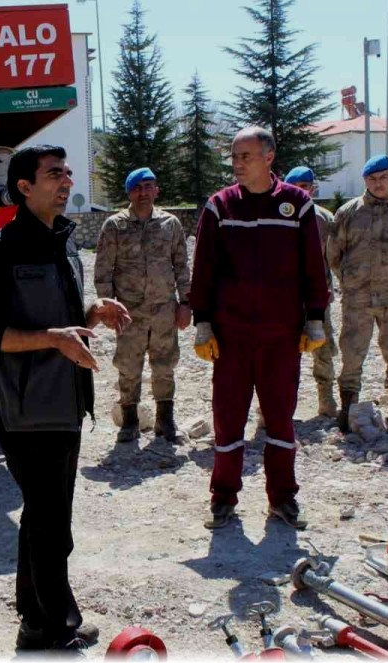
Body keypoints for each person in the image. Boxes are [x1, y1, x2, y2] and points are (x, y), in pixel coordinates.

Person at [0, 144, 130, 652]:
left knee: (45, 515)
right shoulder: (1, 248)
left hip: (64, 401)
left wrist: (94, 309)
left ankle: (36, 620)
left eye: (66, 172)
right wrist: (56, 339)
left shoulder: (63, 241)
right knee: (51, 523)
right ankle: (53, 626)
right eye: (53, 174)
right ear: (23, 186)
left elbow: (61, 312)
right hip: (24, 407)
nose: (65, 181)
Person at [188, 127, 329, 531]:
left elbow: (312, 268)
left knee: (281, 421)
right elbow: (204, 271)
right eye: (234, 156)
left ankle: (283, 499)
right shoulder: (220, 207)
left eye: (245, 156)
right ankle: (223, 499)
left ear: (268, 157)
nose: (237, 163)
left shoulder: (297, 205)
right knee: (228, 420)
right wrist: (203, 322)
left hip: (281, 336)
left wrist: (315, 317)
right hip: (230, 337)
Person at [94, 167, 191, 443]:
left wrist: (185, 303)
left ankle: (165, 421)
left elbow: (182, 265)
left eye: (149, 186)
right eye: (138, 188)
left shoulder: (170, 224)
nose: (144, 192)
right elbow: (103, 271)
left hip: (163, 309)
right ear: (129, 192)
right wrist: (108, 308)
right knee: (128, 365)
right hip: (128, 311)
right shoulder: (115, 225)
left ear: (156, 190)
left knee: (165, 364)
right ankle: (129, 422)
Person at [326, 155, 388, 433]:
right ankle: (348, 408)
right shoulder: (348, 212)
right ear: (365, 181)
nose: (378, 184)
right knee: (352, 354)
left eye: (383, 178)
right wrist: (351, 281)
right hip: (358, 299)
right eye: (372, 179)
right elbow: (334, 253)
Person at [283, 166, 339, 417]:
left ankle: (326, 399)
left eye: (305, 186)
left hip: (317, 297)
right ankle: (274, 408)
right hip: (284, 298)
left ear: (313, 188)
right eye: (296, 186)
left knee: (323, 349)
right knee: (281, 354)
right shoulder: (278, 215)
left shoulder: (324, 218)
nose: (301, 191)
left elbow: (335, 256)